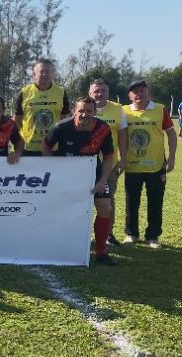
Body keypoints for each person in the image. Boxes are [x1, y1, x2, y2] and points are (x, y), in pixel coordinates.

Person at [43, 97, 116, 265]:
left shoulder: (103, 128)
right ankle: (58, 245)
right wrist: (54, 170)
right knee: (62, 210)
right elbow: (46, 147)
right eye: (81, 110)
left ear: (95, 112)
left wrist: (102, 180)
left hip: (94, 173)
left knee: (105, 207)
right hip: (67, 176)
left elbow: (108, 156)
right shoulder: (61, 127)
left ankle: (101, 253)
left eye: (89, 111)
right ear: (74, 111)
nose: (85, 114)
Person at [122, 80, 177, 248]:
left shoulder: (160, 109)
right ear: (129, 95)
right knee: (132, 202)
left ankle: (152, 237)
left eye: (142, 90)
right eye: (135, 91)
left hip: (156, 166)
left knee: (155, 202)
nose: (139, 94)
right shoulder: (123, 111)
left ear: (148, 93)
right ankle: (131, 234)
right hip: (132, 165)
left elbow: (171, 134)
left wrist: (171, 158)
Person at [89, 78, 128, 246]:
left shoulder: (118, 109)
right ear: (90, 93)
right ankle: (81, 233)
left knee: (108, 201)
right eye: (96, 91)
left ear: (108, 92)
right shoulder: (84, 108)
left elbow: (123, 136)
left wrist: (123, 159)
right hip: (84, 166)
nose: (99, 94)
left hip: (108, 166)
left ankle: (107, 234)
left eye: (103, 90)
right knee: (82, 200)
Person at [14, 58, 70, 155]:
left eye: (48, 71)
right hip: (29, 148)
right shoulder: (24, 92)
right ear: (34, 74)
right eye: (41, 71)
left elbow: (65, 118)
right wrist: (23, 137)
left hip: (53, 147)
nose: (44, 74)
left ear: (52, 74)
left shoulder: (61, 92)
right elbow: (17, 119)